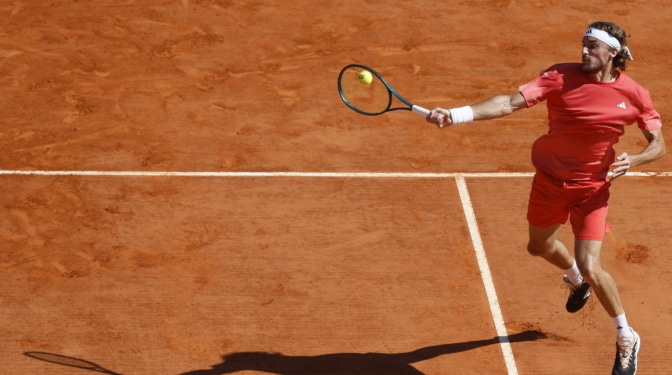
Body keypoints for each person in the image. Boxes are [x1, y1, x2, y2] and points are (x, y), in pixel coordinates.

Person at [425, 21, 665, 375]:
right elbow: (508, 103)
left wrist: (638, 159)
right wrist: (457, 114)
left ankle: (626, 336)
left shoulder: (634, 94)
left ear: (613, 53)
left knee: (592, 263)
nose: (584, 51)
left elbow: (658, 144)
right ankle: (575, 280)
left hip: (592, 190)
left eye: (592, 46)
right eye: (583, 44)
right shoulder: (559, 76)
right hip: (550, 182)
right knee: (538, 246)